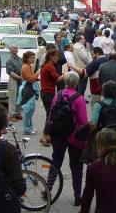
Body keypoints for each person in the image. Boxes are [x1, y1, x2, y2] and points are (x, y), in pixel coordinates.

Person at [45, 72, 87, 206]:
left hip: (58, 135)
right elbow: (83, 121)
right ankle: (77, 196)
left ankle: (48, 189)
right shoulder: (79, 98)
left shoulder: (57, 96)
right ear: (76, 83)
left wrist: (47, 132)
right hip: (74, 137)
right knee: (76, 167)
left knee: (55, 162)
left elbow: (50, 115)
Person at [39, 49, 61, 146]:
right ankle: (44, 136)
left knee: (49, 113)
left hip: (46, 92)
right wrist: (67, 74)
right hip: (48, 92)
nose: (57, 58)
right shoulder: (49, 66)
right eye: (55, 56)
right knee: (51, 115)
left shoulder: (46, 65)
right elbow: (58, 78)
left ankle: (48, 136)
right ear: (51, 57)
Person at [19, 51, 40, 135]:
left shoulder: (28, 66)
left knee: (31, 110)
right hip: (28, 89)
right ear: (26, 58)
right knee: (28, 110)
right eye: (31, 58)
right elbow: (30, 79)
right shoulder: (25, 67)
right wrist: (37, 73)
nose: (33, 59)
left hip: (30, 89)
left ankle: (29, 127)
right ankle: (27, 129)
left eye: (34, 58)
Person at [5, 45, 23, 121]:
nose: (15, 49)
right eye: (13, 48)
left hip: (20, 80)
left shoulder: (20, 59)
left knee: (19, 97)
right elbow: (10, 72)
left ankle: (18, 113)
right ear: (10, 50)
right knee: (13, 97)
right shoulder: (9, 60)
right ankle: (11, 115)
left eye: (16, 48)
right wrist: (19, 77)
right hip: (13, 79)